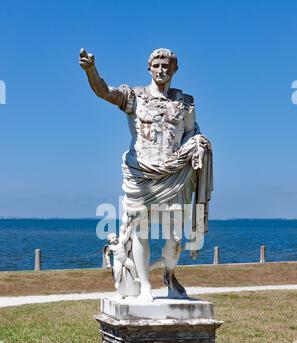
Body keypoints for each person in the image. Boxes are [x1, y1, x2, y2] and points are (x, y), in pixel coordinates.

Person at [80, 48, 213, 302]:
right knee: (140, 231)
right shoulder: (135, 97)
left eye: (166, 66)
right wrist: (91, 70)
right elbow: (105, 92)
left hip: (173, 174)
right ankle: (144, 287)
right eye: (156, 65)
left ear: (174, 70)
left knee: (174, 239)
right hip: (141, 173)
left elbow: (189, 134)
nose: (161, 70)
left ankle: (170, 276)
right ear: (149, 68)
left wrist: (198, 144)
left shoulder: (185, 102)